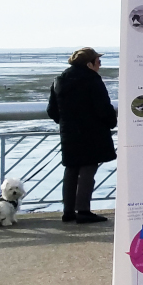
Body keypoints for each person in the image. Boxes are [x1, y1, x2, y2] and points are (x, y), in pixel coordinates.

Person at [47, 47, 115, 224]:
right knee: (88, 169)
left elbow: (52, 110)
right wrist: (111, 122)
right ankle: (83, 211)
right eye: (98, 62)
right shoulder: (92, 80)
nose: (100, 65)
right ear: (89, 63)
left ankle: (68, 211)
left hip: (69, 133)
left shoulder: (59, 80)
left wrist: (66, 123)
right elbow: (103, 108)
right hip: (92, 132)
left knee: (71, 169)